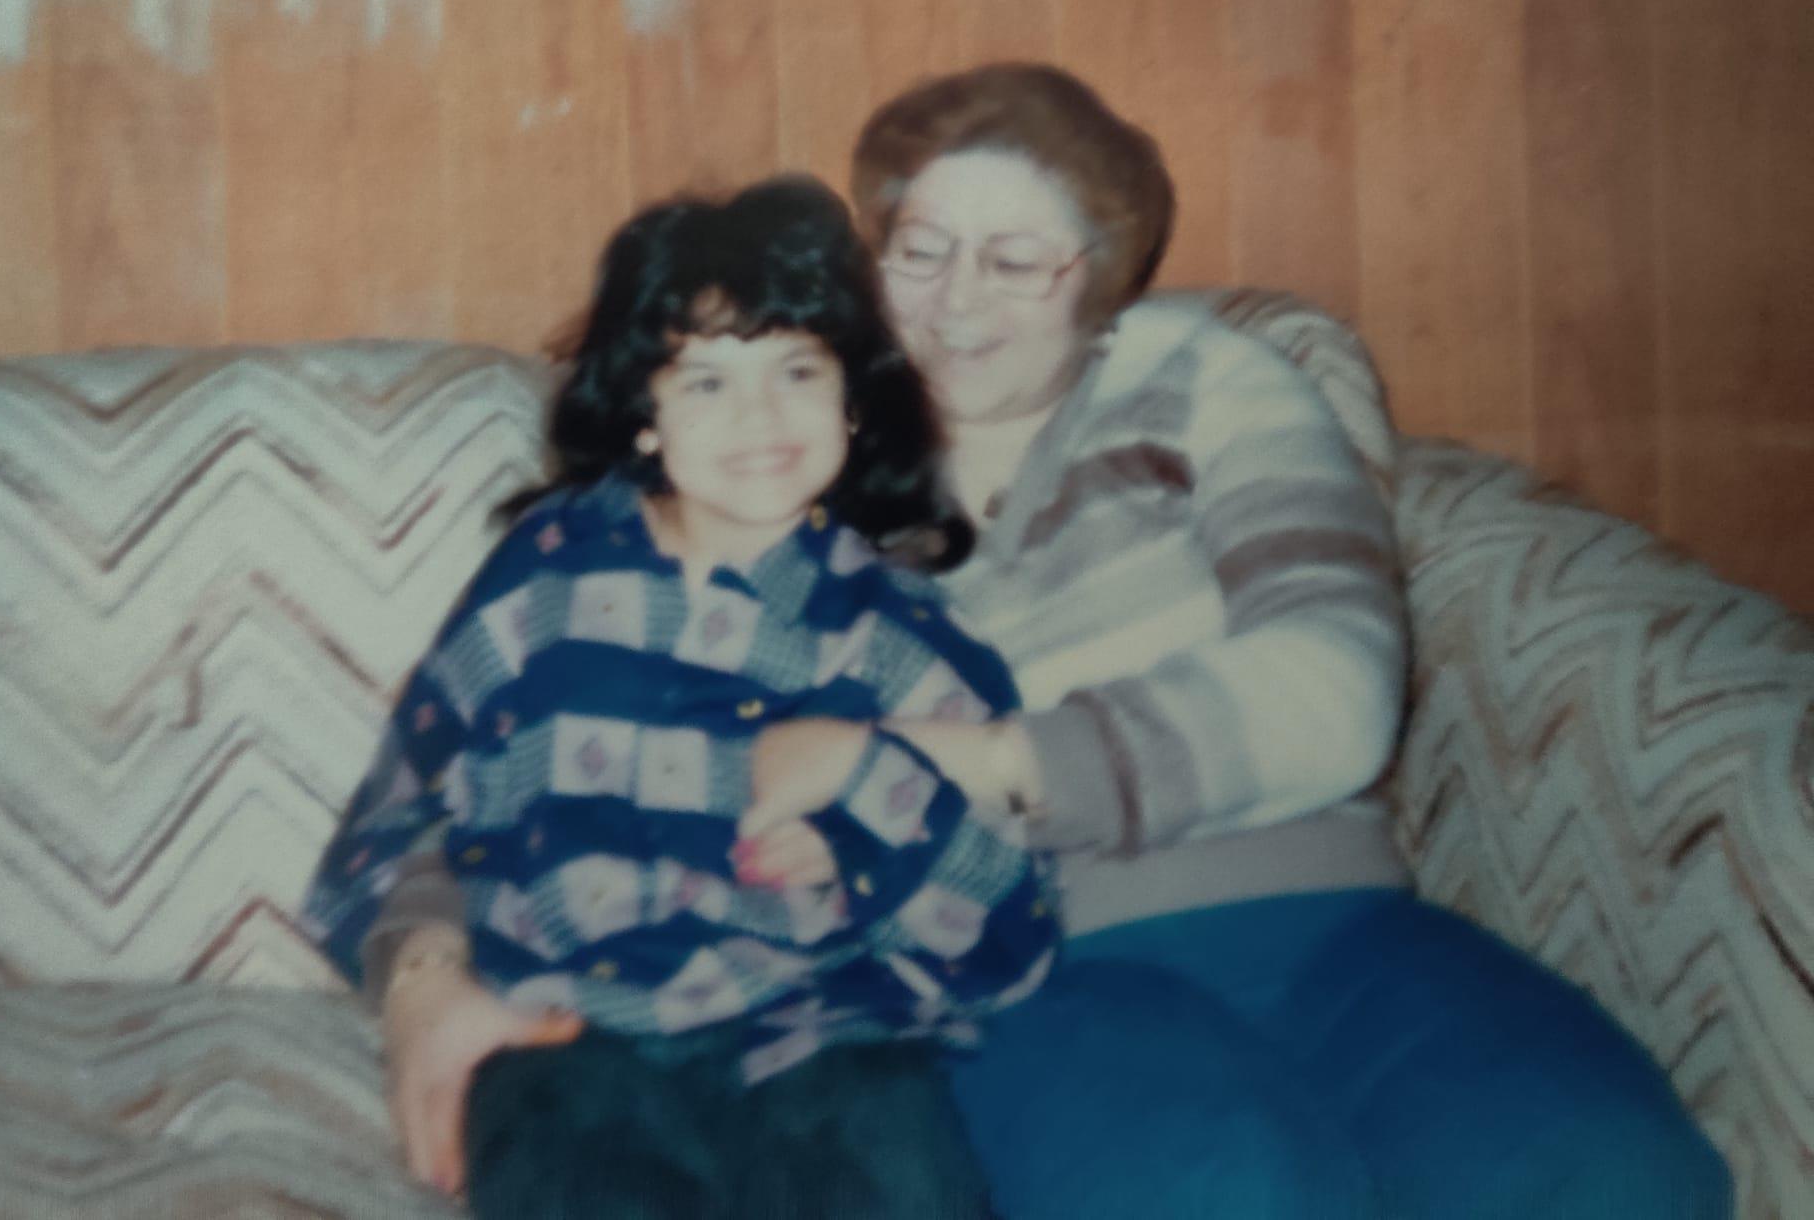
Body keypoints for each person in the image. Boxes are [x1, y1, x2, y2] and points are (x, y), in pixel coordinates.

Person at [732, 61, 1729, 1218]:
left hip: (1338, 932)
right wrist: (464, 962)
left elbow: (1332, 690)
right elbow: (600, 705)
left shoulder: (1197, 379)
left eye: (1013, 262)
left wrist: (981, 763)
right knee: (1217, 1190)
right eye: (920, 249)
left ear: (1097, 276)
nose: (957, 303)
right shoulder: (792, 450)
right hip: (1020, 969)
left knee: (1605, 1174)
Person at [301, 175, 1058, 1219]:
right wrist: (425, 979)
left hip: (822, 1033)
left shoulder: (901, 634)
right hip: (570, 1039)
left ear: (850, 398)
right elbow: (406, 809)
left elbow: (1010, 923)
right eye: (703, 382)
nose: (757, 416)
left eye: (795, 369)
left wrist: (870, 815)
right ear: (643, 413)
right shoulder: (550, 574)